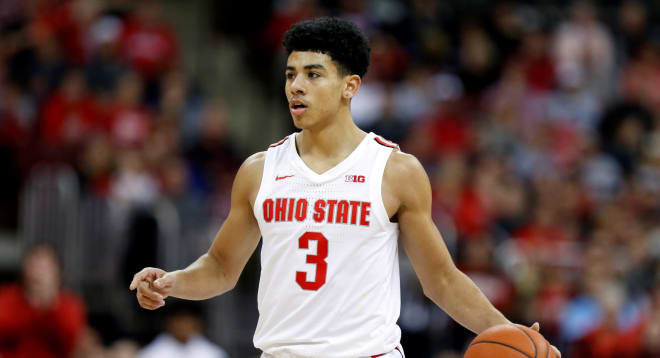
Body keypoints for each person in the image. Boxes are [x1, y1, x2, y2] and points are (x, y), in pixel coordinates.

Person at [130, 17, 560, 357]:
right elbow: (222, 269)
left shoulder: (395, 171)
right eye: (291, 74)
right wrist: (173, 282)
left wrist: (509, 332)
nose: (296, 85)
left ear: (349, 87)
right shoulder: (259, 170)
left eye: (314, 74)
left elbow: (442, 282)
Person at [0, 241, 87, 358]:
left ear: (58, 272)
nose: (38, 272)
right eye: (33, 264)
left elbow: (69, 339)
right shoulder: (7, 297)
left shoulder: (69, 305)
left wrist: (49, 302)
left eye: (44, 266)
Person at [138, 300, 228, 358]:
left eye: (188, 320)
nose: (183, 325)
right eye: (179, 320)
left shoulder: (213, 353)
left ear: (198, 323)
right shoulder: (152, 353)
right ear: (168, 322)